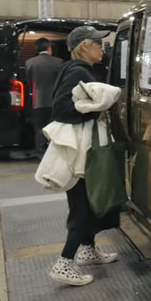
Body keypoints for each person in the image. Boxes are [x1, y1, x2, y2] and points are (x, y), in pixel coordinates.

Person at [47, 26, 119, 286]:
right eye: (98, 43)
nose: (103, 48)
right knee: (82, 206)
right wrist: (96, 111)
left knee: (88, 200)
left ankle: (88, 250)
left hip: (82, 149)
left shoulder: (80, 69)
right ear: (85, 45)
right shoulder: (77, 71)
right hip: (80, 152)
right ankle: (64, 263)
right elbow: (62, 109)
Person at [25, 38, 63, 158]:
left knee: (39, 128)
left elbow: (29, 82)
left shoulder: (29, 63)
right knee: (56, 127)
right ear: (49, 48)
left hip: (38, 100)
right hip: (55, 100)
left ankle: (41, 153)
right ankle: (55, 152)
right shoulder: (59, 62)